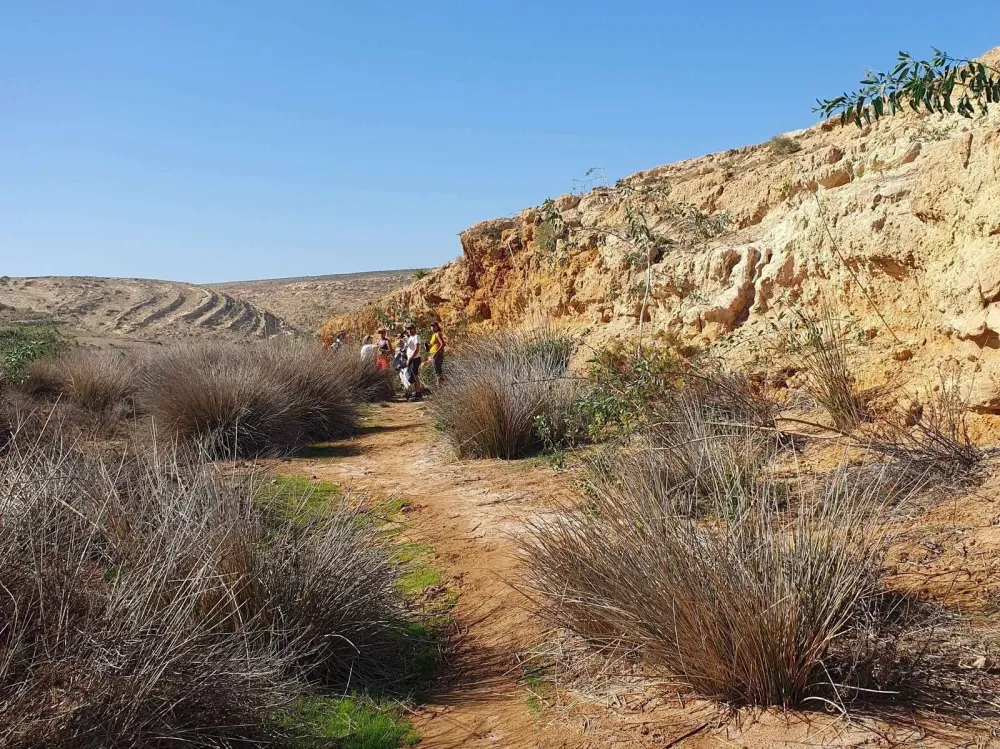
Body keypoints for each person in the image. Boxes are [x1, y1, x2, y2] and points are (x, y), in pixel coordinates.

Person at [404, 323, 423, 401]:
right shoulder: (410, 338)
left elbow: (416, 349)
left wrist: (410, 358)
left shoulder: (416, 337)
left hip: (414, 359)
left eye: (410, 328)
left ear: (414, 328)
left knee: (415, 376)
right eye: (407, 329)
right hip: (411, 359)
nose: (408, 330)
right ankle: (415, 393)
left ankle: (418, 394)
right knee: (412, 376)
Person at [428, 321, 446, 386]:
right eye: (431, 326)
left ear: (437, 327)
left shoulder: (437, 334)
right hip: (435, 353)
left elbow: (443, 344)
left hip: (437, 354)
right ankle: (443, 385)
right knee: (437, 370)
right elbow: (435, 344)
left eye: (434, 326)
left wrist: (436, 353)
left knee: (437, 370)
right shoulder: (433, 335)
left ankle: (439, 385)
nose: (432, 327)